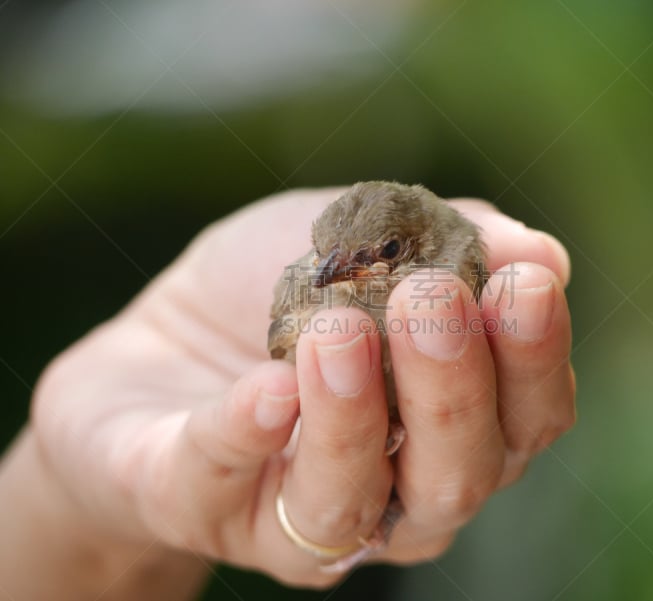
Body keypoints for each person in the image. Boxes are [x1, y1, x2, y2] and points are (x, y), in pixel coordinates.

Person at [0, 187, 576, 599]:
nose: (331, 272)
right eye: (326, 253)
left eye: (384, 256)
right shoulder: (313, 293)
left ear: (419, 246)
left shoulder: (461, 262)